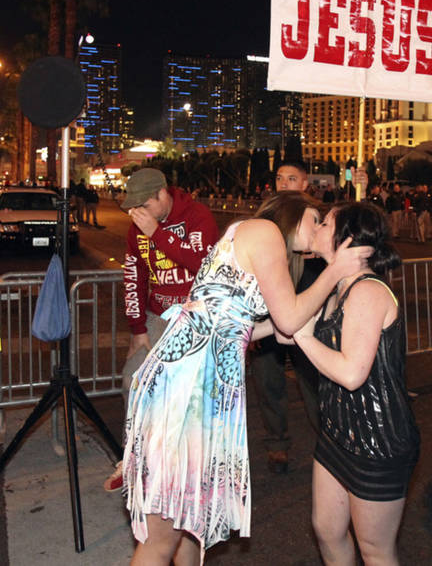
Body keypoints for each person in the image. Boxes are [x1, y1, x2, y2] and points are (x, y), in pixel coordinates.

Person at [122, 192, 373, 563]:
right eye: (314, 218)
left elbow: (235, 325)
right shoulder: (265, 231)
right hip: (191, 383)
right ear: (292, 212)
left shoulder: (254, 236)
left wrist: (283, 325)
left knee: (191, 520)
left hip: (198, 380)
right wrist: (333, 273)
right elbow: (287, 318)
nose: (319, 228)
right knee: (162, 535)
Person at [289, 202, 420, 565]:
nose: (315, 226)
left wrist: (303, 338)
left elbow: (351, 373)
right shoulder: (334, 288)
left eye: (324, 222)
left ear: (345, 239)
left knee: (375, 549)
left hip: (378, 442)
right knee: (328, 531)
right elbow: (290, 325)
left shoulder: (367, 291)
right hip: (338, 434)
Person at [104, 167, 218, 493]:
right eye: (132, 207)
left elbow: (202, 263)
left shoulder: (197, 216)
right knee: (134, 379)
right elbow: (134, 277)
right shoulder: (136, 227)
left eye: (144, 204)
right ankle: (136, 458)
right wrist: (138, 329)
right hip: (158, 318)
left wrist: (157, 232)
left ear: (161, 194)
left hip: (195, 320)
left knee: (187, 398)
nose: (136, 213)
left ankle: (190, 468)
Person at [251, 160, 322, 473]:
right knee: (268, 382)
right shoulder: (267, 222)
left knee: (314, 384)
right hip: (268, 317)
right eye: (279, 178)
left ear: (305, 183)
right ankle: (277, 444)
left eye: (292, 178)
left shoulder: (314, 219)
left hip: (305, 316)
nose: (284, 184)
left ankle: (330, 446)